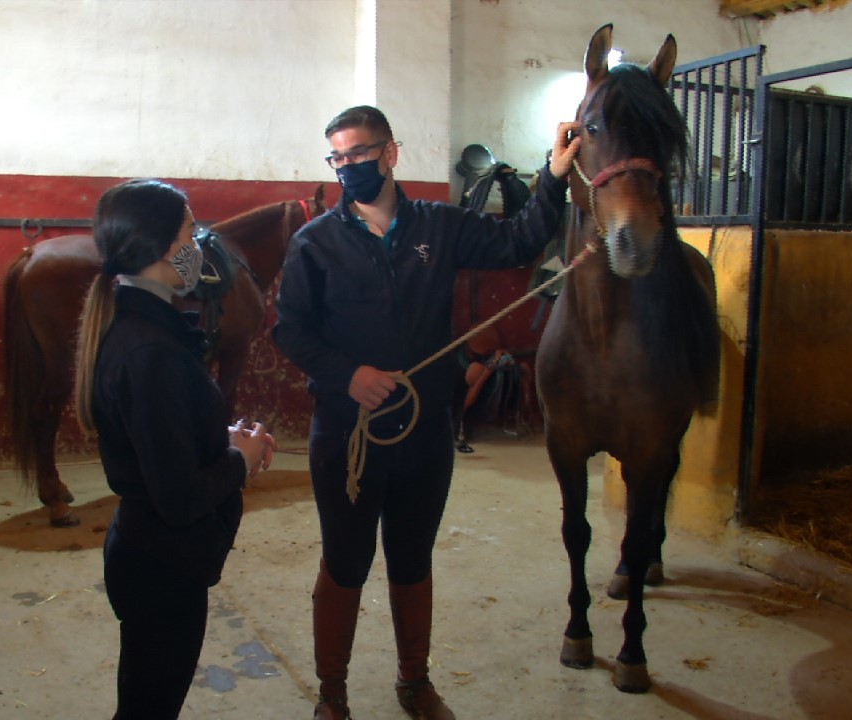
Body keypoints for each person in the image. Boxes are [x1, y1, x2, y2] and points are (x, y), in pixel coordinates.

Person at [273, 106, 581, 720]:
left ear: (391, 154)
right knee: (346, 559)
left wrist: (554, 176)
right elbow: (291, 332)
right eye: (338, 158)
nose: (349, 167)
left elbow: (519, 240)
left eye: (360, 153)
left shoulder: (441, 227)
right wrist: (348, 375)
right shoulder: (315, 243)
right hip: (347, 431)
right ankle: (331, 694)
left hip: (425, 428)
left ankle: (414, 683)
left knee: (412, 557)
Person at [73, 178, 276, 719]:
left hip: (150, 555)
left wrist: (219, 438)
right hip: (163, 565)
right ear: (165, 246)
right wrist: (241, 459)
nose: (199, 240)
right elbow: (180, 497)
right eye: (191, 228)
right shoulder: (151, 352)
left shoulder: (144, 329)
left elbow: (164, 441)